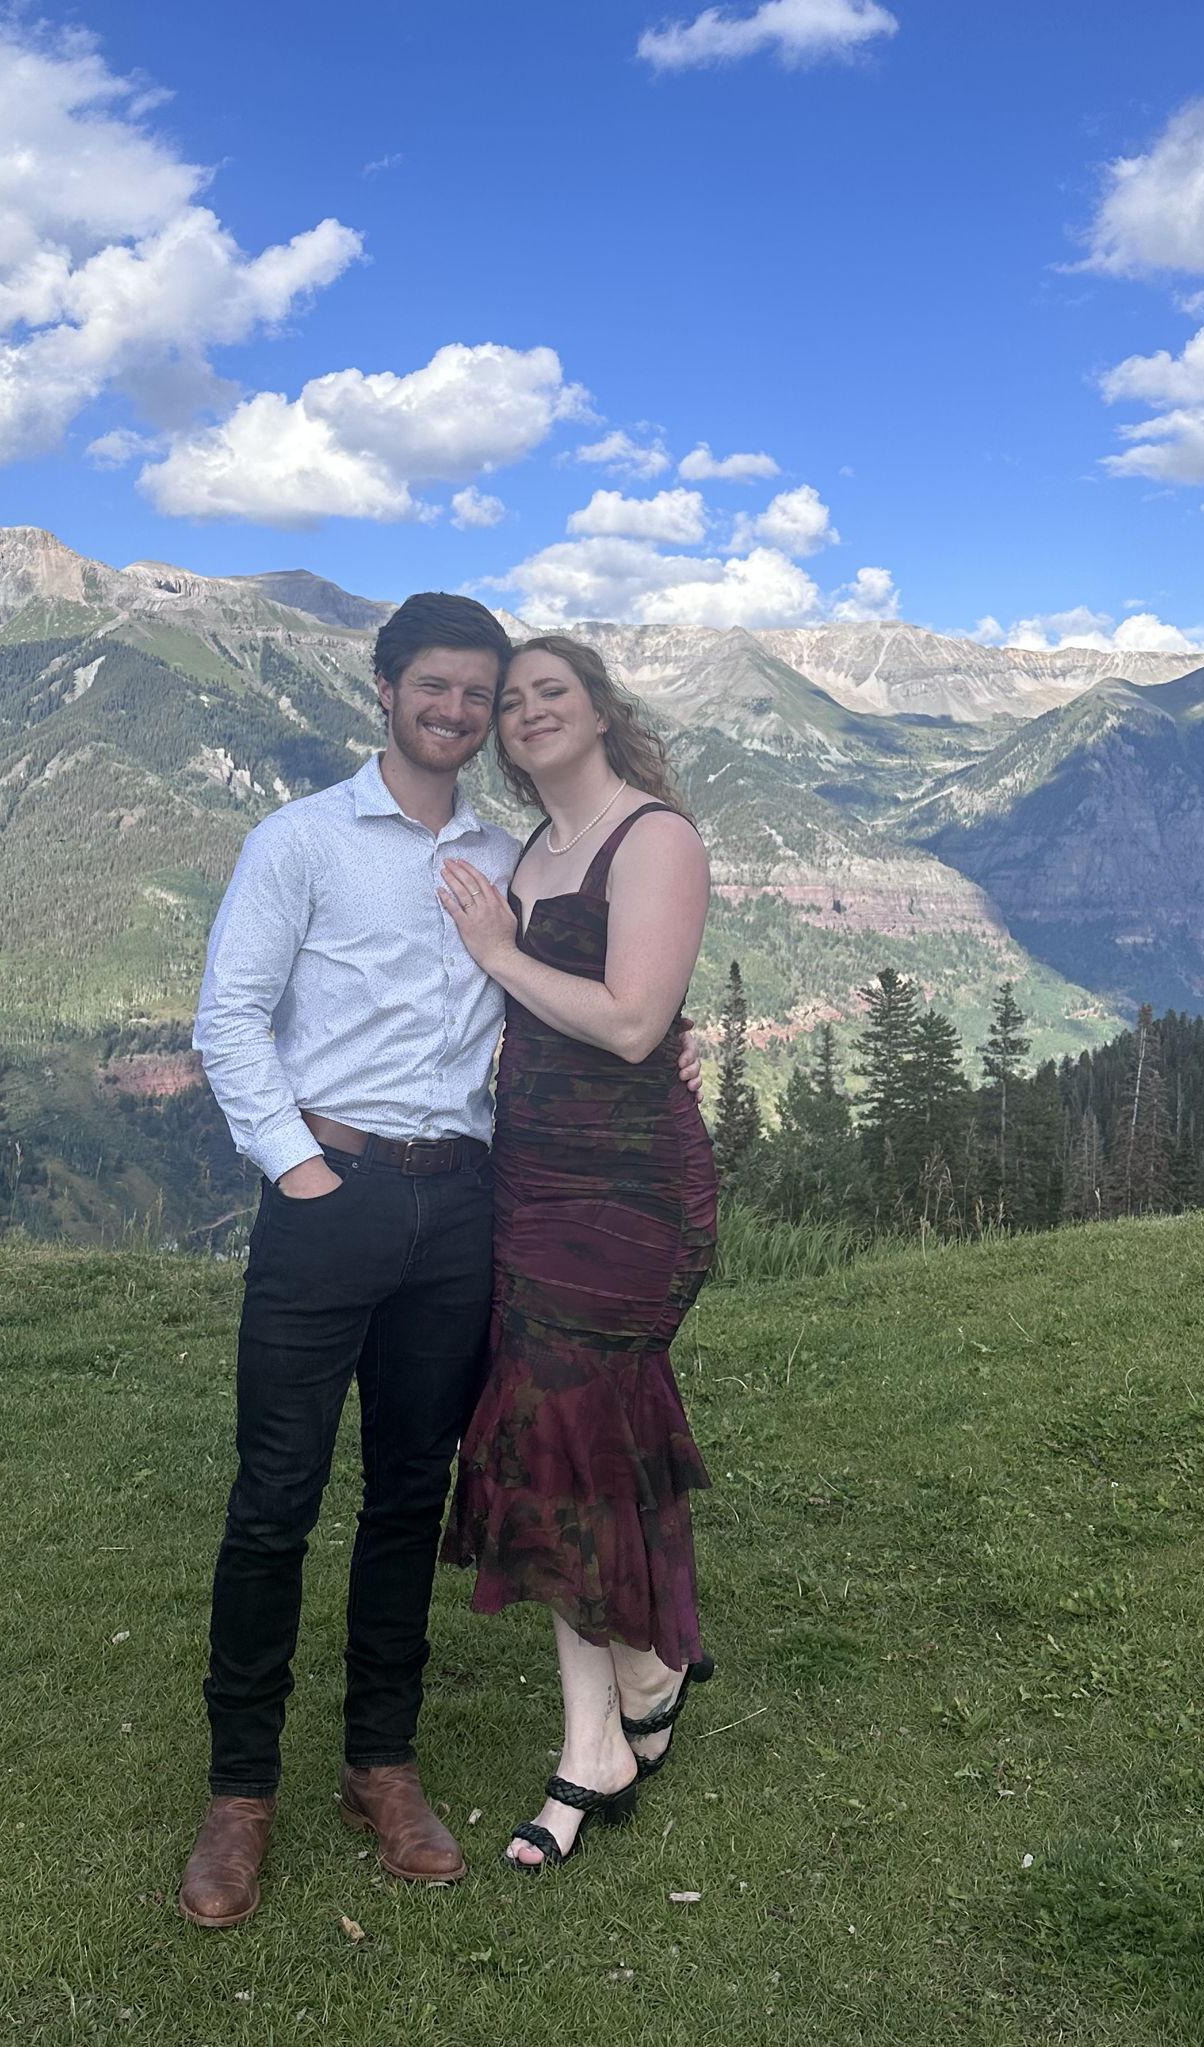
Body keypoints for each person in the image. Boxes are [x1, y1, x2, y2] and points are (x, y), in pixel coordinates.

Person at [179, 596, 698, 1928]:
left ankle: (380, 1762)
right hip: (330, 1191)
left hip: (462, 1206)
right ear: (385, 687)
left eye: (483, 693)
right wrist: (298, 1165)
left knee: (411, 1489)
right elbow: (229, 1013)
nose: (463, 710)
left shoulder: (503, 857)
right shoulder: (300, 839)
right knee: (276, 1493)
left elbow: (585, 1001)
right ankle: (242, 1791)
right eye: (440, 687)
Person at [438, 633, 718, 1871]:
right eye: (512, 702)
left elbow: (632, 1020)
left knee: (547, 1437)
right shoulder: (526, 853)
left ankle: (590, 1746)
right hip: (529, 1181)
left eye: (553, 691)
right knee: (588, 1437)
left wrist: (501, 956)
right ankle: (648, 1671)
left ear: (600, 710)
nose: (528, 711)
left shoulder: (648, 837)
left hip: (627, 1191)